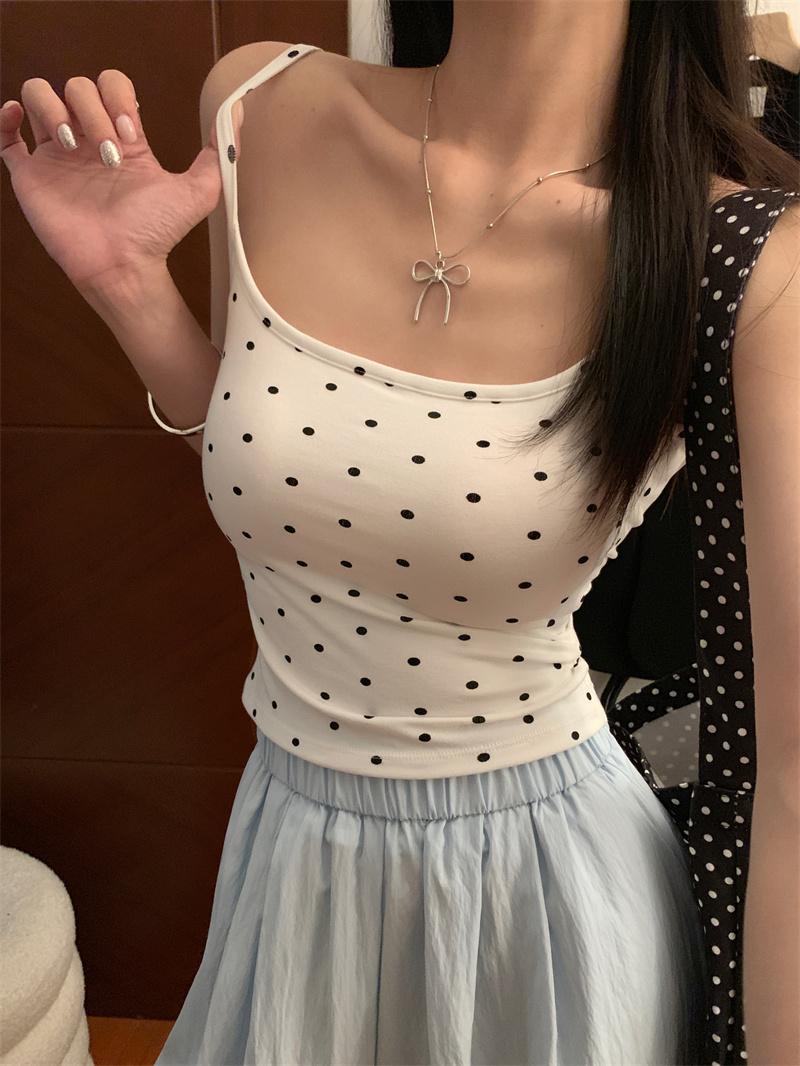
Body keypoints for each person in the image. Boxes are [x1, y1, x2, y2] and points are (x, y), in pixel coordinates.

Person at [2, 2, 798, 1064]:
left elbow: (791, 783)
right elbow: (294, 489)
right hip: (290, 852)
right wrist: (127, 288)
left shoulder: (742, 257)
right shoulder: (261, 104)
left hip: (538, 897)